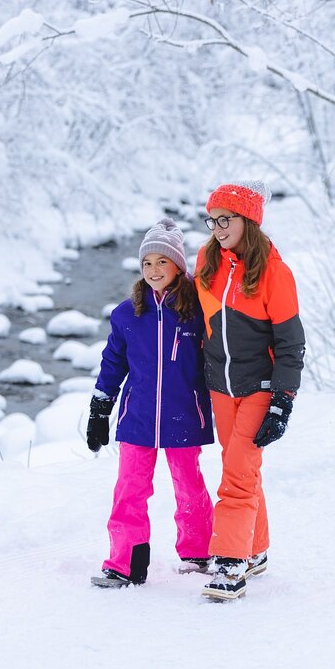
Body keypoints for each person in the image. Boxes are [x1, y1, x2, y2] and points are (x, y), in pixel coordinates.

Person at [88, 218, 215, 588]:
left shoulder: (197, 308)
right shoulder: (128, 314)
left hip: (184, 414)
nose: (154, 270)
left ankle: (197, 552)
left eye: (162, 262)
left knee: (189, 485)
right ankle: (125, 564)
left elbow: (218, 354)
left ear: (178, 265)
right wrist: (101, 408)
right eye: (147, 263)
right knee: (129, 488)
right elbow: (113, 362)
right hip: (138, 416)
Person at [194, 180, 305, 601]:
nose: (218, 228)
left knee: (236, 476)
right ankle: (254, 549)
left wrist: (282, 402)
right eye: (213, 219)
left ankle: (229, 563)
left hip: (259, 386)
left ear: (249, 221)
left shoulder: (275, 273)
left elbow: (291, 345)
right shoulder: (207, 259)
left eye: (227, 219)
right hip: (220, 385)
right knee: (240, 467)